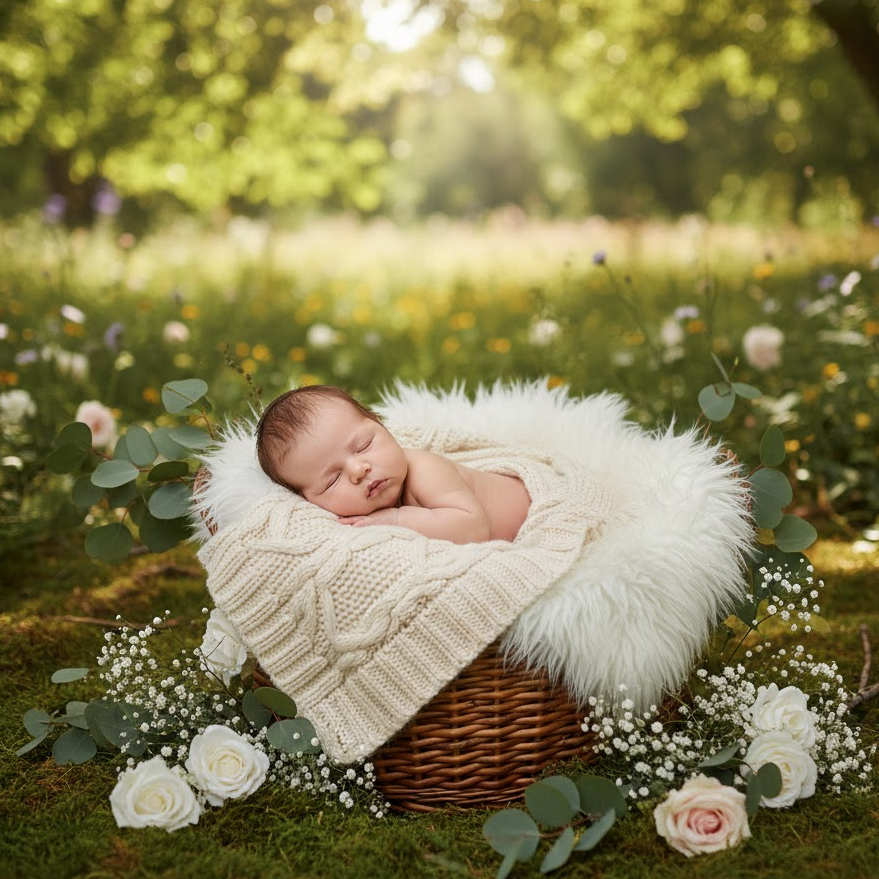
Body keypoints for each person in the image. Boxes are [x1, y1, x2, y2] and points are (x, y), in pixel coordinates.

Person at [255, 385, 531, 544]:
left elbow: (474, 529)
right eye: (332, 480)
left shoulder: (425, 470)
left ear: (380, 424)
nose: (358, 470)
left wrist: (395, 520)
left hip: (529, 511)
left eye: (363, 445)